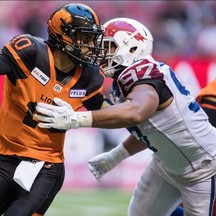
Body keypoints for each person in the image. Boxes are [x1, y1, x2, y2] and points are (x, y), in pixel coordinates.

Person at [35, 18, 216, 216]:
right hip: (165, 165)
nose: (101, 52)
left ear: (132, 48)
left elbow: (137, 112)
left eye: (109, 46)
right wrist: (117, 155)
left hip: (203, 170)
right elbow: (150, 130)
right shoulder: (125, 80)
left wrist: (77, 120)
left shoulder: (142, 74)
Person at [0, 3, 109, 216]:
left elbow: (110, 113)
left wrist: (130, 111)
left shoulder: (89, 77)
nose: (91, 46)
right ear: (63, 36)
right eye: (85, 38)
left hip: (46, 169)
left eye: (92, 39)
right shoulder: (30, 53)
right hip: (3, 159)